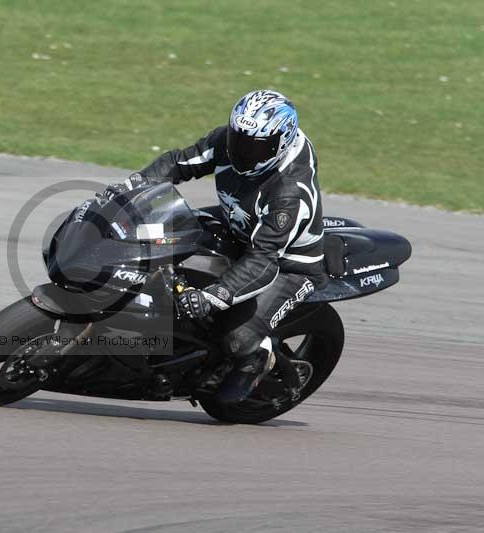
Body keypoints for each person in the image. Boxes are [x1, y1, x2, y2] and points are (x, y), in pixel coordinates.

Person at [99, 89, 327, 403]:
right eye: (239, 141)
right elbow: (179, 162)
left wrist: (212, 297)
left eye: (256, 147)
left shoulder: (289, 195)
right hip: (238, 227)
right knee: (157, 239)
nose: (243, 152)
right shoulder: (228, 142)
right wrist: (132, 187)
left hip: (287, 264)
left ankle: (256, 359)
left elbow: (262, 261)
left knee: (236, 338)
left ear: (282, 143)